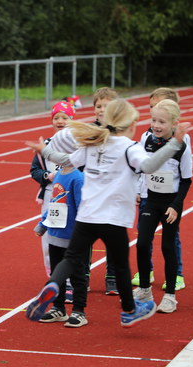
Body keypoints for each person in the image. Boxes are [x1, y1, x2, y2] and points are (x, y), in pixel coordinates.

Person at [24, 99, 191, 327]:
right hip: (113, 218)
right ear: (130, 125)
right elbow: (150, 166)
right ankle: (129, 310)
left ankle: (53, 283)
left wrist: (45, 150)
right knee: (121, 265)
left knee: (71, 258)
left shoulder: (94, 144)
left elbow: (66, 161)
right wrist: (175, 143)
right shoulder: (131, 148)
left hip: (86, 215)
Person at [45, 87, 121, 295]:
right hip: (90, 191)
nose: (101, 110)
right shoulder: (86, 131)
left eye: (106, 106)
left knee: (112, 237)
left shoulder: (121, 133)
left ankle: (112, 277)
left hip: (113, 192)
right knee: (84, 235)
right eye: (98, 106)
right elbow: (76, 158)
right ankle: (83, 275)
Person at [133, 99, 193, 314]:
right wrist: (139, 193)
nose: (156, 125)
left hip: (170, 204)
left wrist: (176, 206)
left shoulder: (182, 145)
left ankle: (170, 297)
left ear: (174, 123)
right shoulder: (148, 139)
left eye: (162, 122)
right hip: (151, 199)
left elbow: (186, 180)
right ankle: (144, 289)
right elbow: (140, 169)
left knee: (168, 246)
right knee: (141, 244)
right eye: (153, 120)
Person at [33, 157, 88, 327]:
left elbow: (83, 207)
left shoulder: (78, 178)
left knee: (77, 274)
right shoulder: (57, 176)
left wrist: (81, 233)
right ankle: (59, 308)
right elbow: (54, 203)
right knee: (57, 274)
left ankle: (79, 311)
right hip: (55, 233)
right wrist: (43, 223)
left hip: (73, 235)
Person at [29, 101, 76, 277]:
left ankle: (73, 277)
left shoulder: (78, 145)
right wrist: (47, 176)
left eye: (65, 117)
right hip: (51, 195)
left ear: (72, 119)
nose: (60, 121)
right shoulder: (45, 145)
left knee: (71, 236)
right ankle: (53, 275)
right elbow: (34, 170)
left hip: (72, 196)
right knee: (50, 237)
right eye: (56, 117)